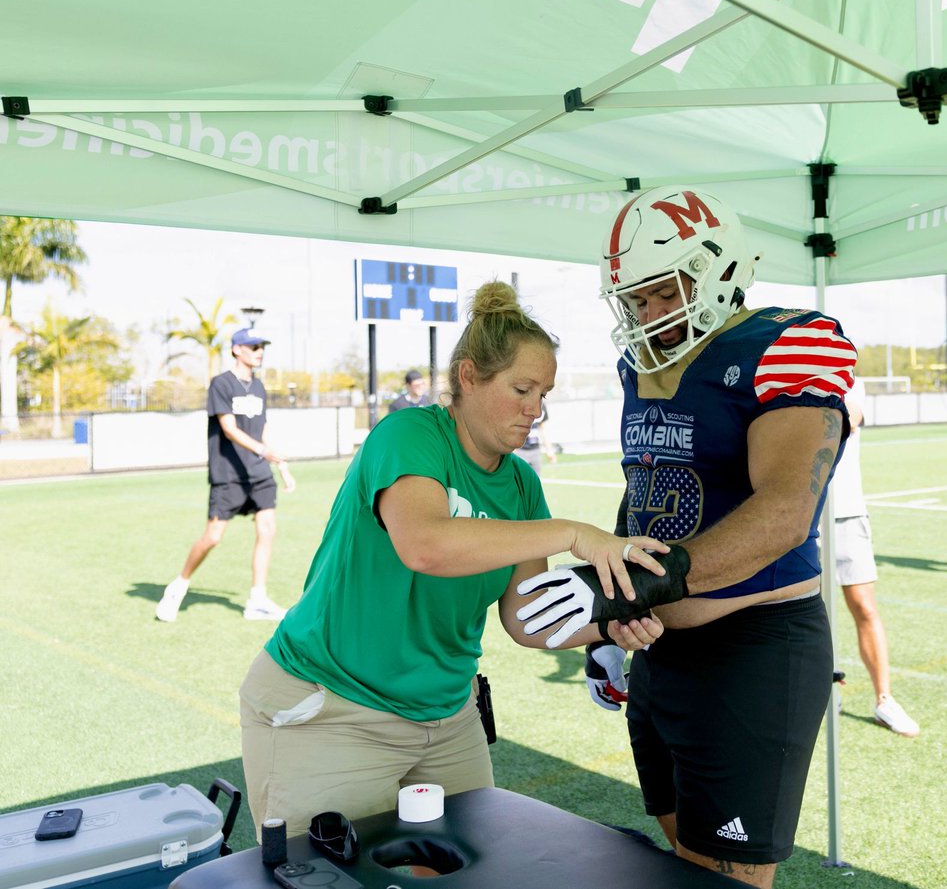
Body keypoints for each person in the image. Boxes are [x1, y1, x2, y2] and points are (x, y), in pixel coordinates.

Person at [238, 281, 670, 839]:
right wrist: (572, 534)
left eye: (544, 394)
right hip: (332, 710)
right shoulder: (410, 435)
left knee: (471, 871)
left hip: (448, 719)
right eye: (521, 389)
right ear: (468, 377)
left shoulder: (521, 485)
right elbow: (426, 545)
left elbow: (526, 620)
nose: (535, 410)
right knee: (328, 877)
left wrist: (611, 625)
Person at [523, 187, 856, 889]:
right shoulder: (640, 365)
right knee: (680, 862)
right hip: (660, 651)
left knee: (724, 879)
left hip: (752, 651)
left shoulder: (781, 345)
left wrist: (633, 587)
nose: (646, 314)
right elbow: (645, 493)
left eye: (657, 292)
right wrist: (618, 617)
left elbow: (787, 510)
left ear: (713, 268)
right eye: (634, 300)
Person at [155, 327, 296, 623]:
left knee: (267, 529)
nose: (259, 352)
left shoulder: (258, 388)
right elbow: (229, 429)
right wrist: (263, 451)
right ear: (237, 349)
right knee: (213, 537)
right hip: (228, 474)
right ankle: (179, 585)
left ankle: (257, 599)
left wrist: (280, 465)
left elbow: (263, 427)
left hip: (258, 473)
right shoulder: (221, 384)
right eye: (253, 346)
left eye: (261, 346)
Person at [831, 379, 919, 738]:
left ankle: (884, 699)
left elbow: (847, 419)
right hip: (799, 513)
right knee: (804, 611)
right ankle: (821, 690)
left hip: (847, 510)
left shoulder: (852, 381)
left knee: (864, 606)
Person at [513, 403, 557, 474]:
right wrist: (513, 449)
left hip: (535, 450)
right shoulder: (521, 404)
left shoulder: (542, 406)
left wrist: (549, 451)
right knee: (521, 480)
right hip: (521, 450)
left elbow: (543, 430)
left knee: (536, 480)